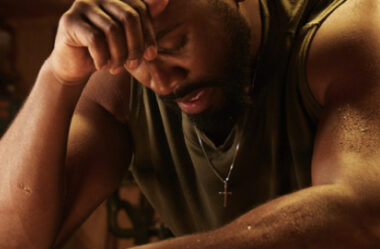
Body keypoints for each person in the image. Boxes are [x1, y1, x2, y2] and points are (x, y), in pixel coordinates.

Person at [1, 0, 380, 248]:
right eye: (137, 60)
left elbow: (361, 215)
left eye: (173, 45)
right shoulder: (118, 82)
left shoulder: (346, 33)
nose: (162, 83)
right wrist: (58, 76)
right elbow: (13, 238)